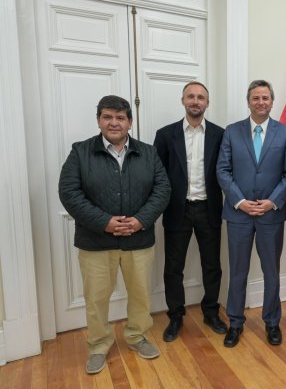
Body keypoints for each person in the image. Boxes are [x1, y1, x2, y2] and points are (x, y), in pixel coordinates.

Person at [58, 95, 170, 374]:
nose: (114, 122)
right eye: (107, 117)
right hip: (95, 242)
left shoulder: (148, 152)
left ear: (130, 122)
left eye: (120, 117)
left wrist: (140, 220)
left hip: (138, 240)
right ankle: (98, 345)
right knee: (96, 299)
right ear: (98, 120)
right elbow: (69, 193)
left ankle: (137, 336)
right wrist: (104, 222)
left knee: (140, 295)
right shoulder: (80, 152)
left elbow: (162, 189)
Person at [216, 79, 286, 348]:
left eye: (265, 98)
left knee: (271, 271)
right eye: (255, 98)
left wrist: (272, 202)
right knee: (237, 271)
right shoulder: (232, 131)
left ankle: (272, 322)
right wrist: (240, 202)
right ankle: (235, 323)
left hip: (271, 215)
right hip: (239, 215)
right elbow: (222, 170)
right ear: (248, 101)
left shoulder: (285, 133)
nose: (260, 102)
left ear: (272, 101)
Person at [153, 81, 227, 342]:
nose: (196, 101)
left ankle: (211, 312)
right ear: (183, 100)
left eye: (201, 97)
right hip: (177, 210)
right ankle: (175, 316)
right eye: (191, 96)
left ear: (207, 103)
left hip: (209, 208)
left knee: (212, 266)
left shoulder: (220, 134)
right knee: (173, 267)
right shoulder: (165, 135)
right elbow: (158, 174)